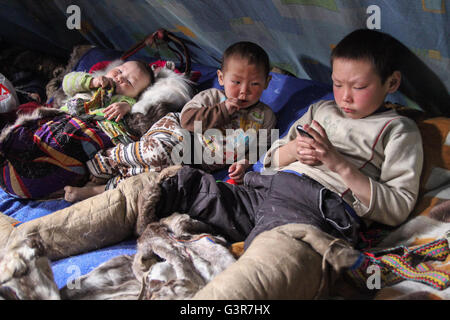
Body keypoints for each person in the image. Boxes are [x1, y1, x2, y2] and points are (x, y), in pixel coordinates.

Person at [150, 29, 424, 248]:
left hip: (316, 207)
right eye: (337, 84)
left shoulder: (398, 129)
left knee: (270, 253)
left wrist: (338, 163)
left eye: (359, 87)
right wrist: (293, 149)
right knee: (177, 186)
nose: (345, 97)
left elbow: (397, 208)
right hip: (265, 191)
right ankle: (122, 205)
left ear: (392, 83)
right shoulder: (322, 109)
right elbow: (269, 162)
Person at [64, 41, 277, 202]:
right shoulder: (213, 97)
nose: (244, 91)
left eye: (255, 84)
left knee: (161, 182)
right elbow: (187, 120)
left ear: (267, 82)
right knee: (158, 152)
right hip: (176, 132)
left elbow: (262, 146)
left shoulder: (266, 117)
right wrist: (221, 110)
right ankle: (104, 163)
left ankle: (100, 189)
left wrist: (244, 162)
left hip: (194, 160)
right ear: (221, 78)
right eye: (236, 82)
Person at [61, 59, 154, 144]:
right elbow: (67, 82)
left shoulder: (124, 100)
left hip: (89, 131)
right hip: (65, 115)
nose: (120, 77)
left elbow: (133, 105)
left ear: (136, 95)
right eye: (119, 71)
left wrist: (126, 106)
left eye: (129, 82)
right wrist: (91, 82)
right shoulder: (91, 80)